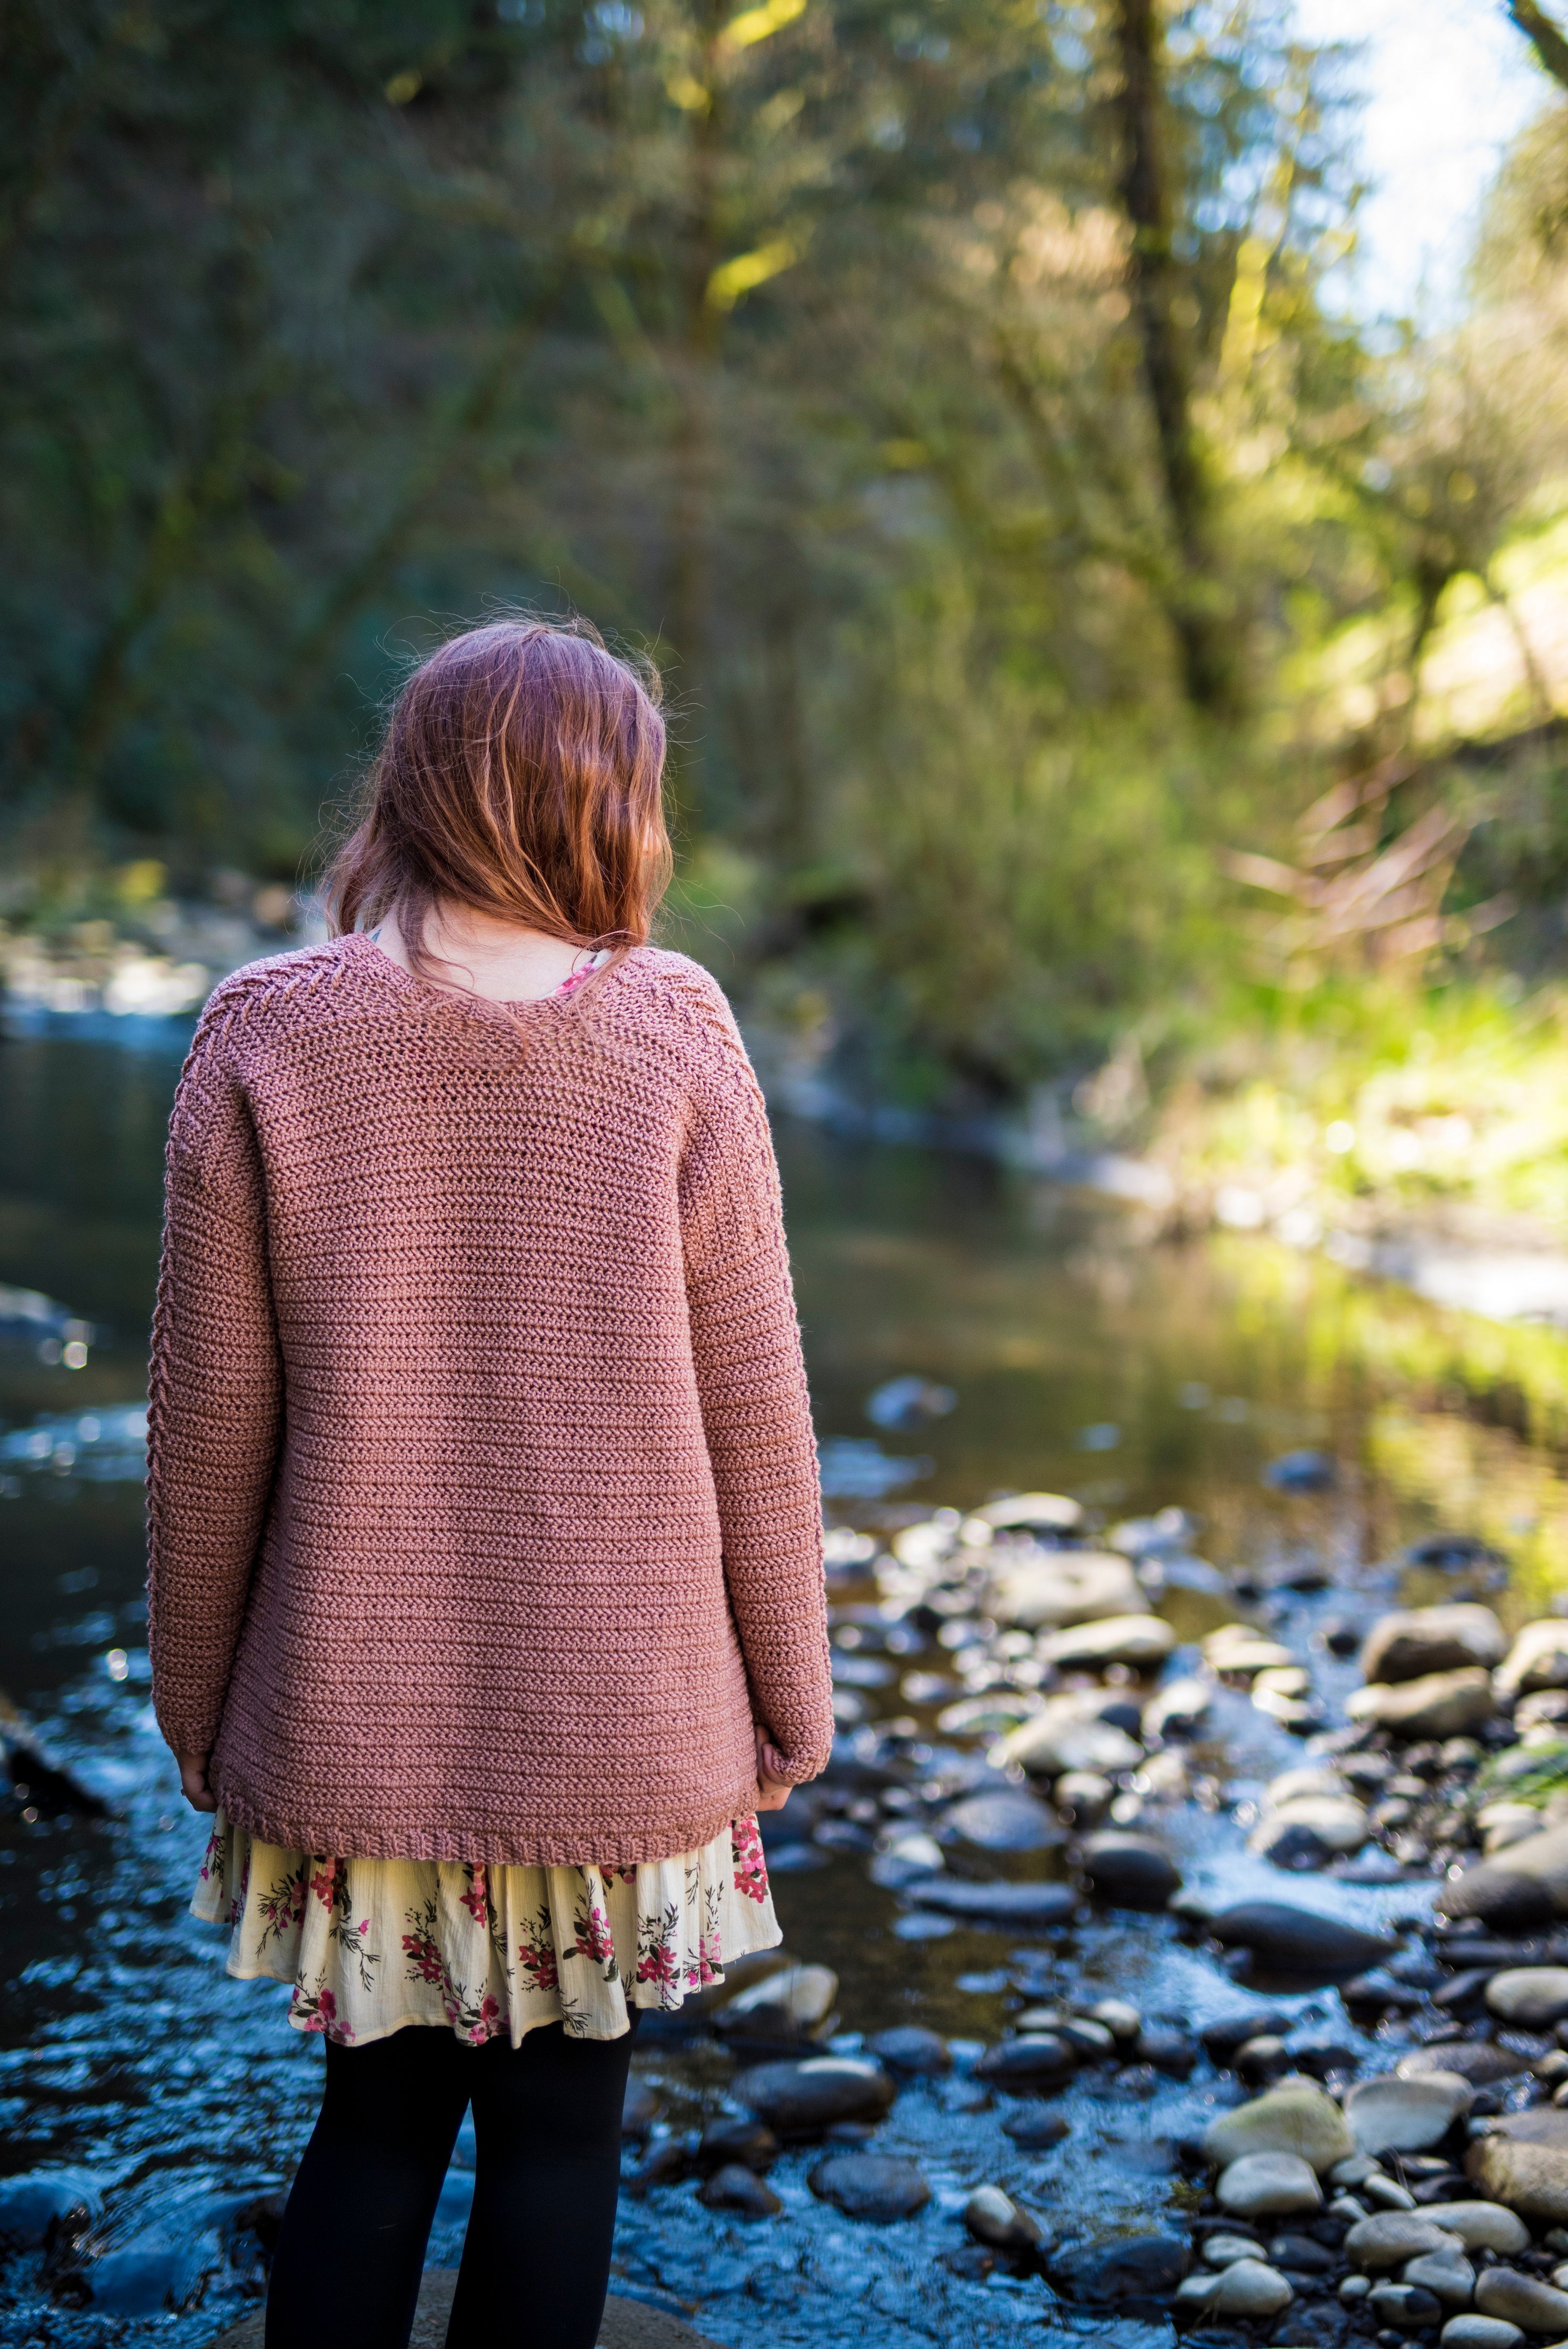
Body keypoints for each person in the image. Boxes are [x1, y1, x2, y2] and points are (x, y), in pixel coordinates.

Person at [145, 617, 834, 2349]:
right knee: (561, 2143)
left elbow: (205, 1431)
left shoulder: (265, 1032)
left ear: (415, 790)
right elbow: (760, 1416)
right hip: (618, 1729)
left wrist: (194, 1702)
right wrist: (790, 1692)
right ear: (616, 812)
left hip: (349, 1730)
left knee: (368, 2139)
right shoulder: (676, 1030)